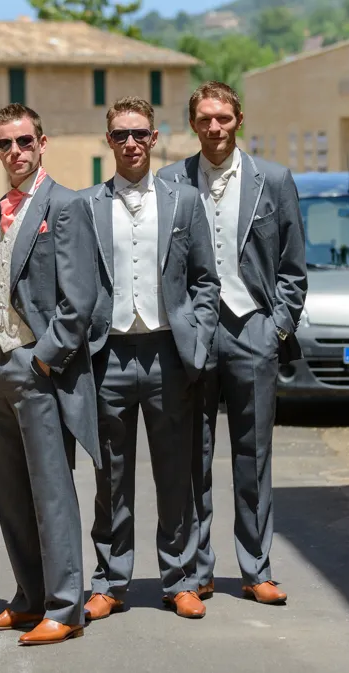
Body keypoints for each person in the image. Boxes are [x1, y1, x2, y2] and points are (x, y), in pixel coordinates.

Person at [157, 81, 308, 605]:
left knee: (253, 455)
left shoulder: (274, 180)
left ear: (238, 120)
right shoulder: (170, 181)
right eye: (204, 119)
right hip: (193, 334)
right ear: (193, 124)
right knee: (192, 457)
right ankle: (197, 569)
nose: (214, 127)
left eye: (222, 118)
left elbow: (293, 266)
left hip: (252, 330)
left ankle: (257, 568)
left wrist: (276, 327)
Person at [81, 96, 220, 621]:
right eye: (121, 135)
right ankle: (110, 581)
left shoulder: (184, 201)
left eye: (139, 133)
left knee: (174, 472)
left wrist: (198, 340)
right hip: (110, 353)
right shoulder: (89, 205)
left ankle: (179, 578)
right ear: (109, 141)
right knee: (111, 477)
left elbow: (206, 280)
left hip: (168, 352)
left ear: (154, 138)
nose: (131, 143)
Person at [0, 103, 99, 646]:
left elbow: (80, 298)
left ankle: (66, 608)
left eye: (24, 141)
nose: (15, 152)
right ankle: (27, 599)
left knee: (51, 494)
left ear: (42, 144)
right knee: (11, 495)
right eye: (5, 143)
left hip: (36, 365)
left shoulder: (65, 205)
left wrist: (44, 358)